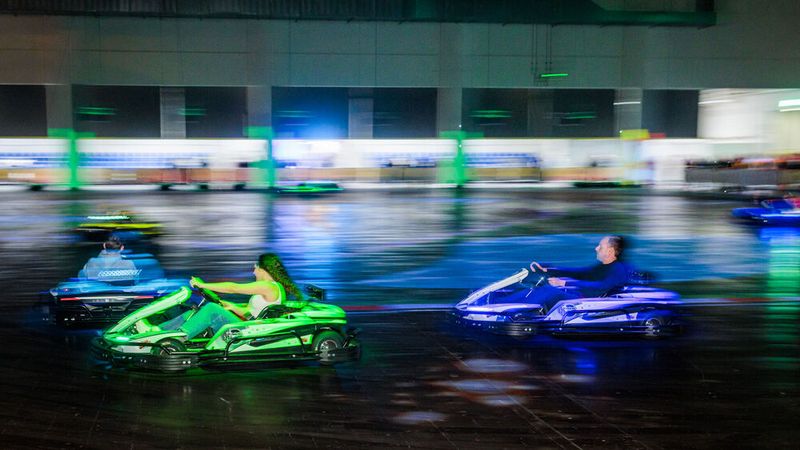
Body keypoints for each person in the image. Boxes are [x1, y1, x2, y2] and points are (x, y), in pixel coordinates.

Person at [170, 253, 302, 339]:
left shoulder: (268, 286)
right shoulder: (272, 287)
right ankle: (163, 331)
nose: (254, 272)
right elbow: (252, 313)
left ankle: (179, 337)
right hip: (251, 325)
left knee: (211, 309)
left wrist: (203, 285)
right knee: (197, 312)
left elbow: (233, 288)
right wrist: (232, 307)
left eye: (255, 268)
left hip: (252, 331)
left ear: (263, 269)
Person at [528, 235, 630, 312]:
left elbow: (601, 286)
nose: (596, 248)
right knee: (544, 289)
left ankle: (523, 313)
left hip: (589, 303)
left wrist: (564, 283)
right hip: (581, 297)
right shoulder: (602, 266)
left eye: (600, 247)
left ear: (610, 251)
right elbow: (580, 273)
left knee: (549, 292)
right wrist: (549, 270)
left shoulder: (618, 269)